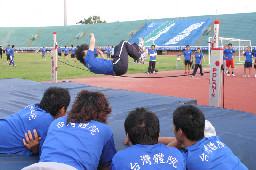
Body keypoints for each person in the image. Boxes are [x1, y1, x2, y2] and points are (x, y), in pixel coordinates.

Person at [31, 90, 116, 170]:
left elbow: (45, 150)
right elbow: (107, 165)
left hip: (40, 167)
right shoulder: (103, 129)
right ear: (103, 112)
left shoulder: (57, 122)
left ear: (76, 107)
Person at [159, 105, 248, 170]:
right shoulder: (214, 139)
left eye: (174, 126)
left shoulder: (185, 160)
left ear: (180, 132)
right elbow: (181, 142)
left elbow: (161, 154)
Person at [0, 87, 71, 156]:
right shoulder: (48, 121)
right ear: (62, 109)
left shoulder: (34, 106)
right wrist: (36, 149)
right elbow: (49, 154)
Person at [111, 108, 185, 170]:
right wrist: (151, 136)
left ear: (128, 137)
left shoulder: (120, 158)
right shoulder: (177, 154)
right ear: (158, 134)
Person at [75, 33, 142, 76]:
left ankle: (138, 49)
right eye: (86, 50)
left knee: (117, 47)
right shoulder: (88, 58)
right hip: (118, 66)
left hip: (118, 70)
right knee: (123, 43)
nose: (88, 50)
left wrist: (101, 54)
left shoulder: (88, 64)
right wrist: (92, 35)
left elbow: (103, 64)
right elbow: (92, 42)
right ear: (83, 56)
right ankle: (140, 55)